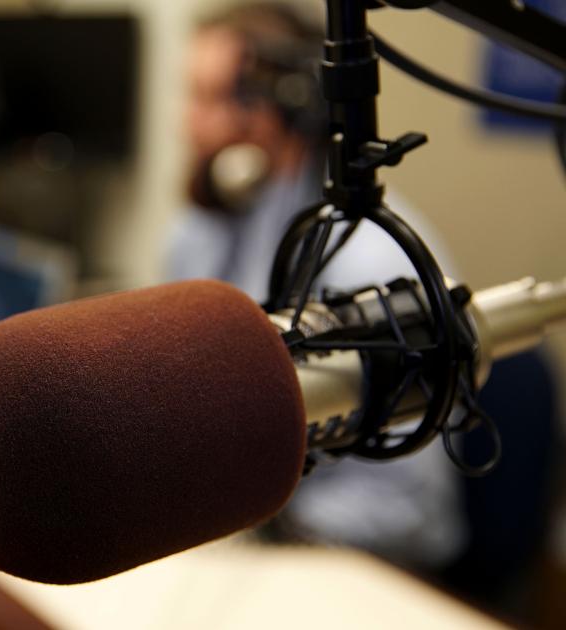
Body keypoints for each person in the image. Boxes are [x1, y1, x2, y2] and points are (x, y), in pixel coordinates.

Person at [166, 1, 465, 572]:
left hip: (336, 560)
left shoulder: (372, 262)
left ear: (281, 109)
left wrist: (258, 537)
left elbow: (408, 508)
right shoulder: (202, 230)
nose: (189, 124)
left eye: (210, 99)